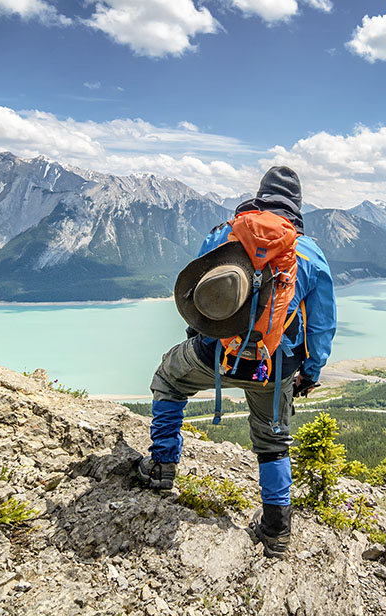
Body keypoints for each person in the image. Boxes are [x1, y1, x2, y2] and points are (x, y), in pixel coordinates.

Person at [134, 166, 336, 558]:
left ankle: (161, 468)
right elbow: (322, 326)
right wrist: (309, 374)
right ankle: (276, 531)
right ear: (296, 206)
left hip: (218, 354)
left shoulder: (223, 234)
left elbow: (196, 295)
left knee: (169, 380)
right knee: (273, 442)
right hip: (275, 369)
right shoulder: (309, 253)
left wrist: (198, 337)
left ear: (259, 196)